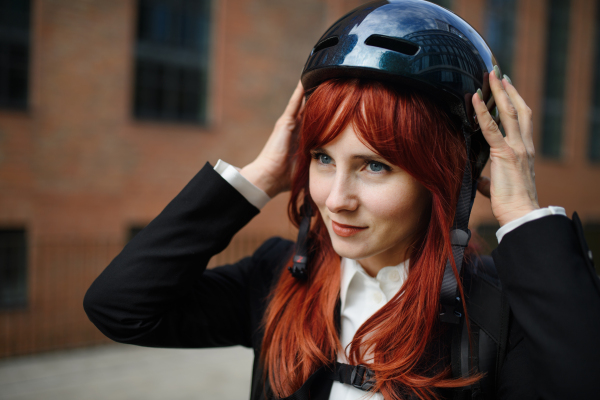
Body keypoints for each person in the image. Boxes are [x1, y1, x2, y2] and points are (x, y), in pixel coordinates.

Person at [83, 1, 600, 399]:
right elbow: (120, 307)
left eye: (375, 165)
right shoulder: (281, 278)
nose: (335, 199)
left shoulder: (497, 311)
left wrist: (524, 216)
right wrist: (261, 175)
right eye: (323, 158)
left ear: (442, 179)